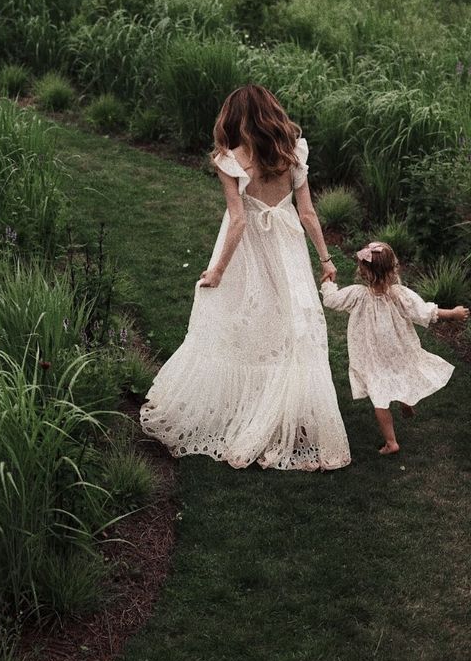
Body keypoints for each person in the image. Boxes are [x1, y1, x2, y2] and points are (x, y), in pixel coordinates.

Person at [140, 83, 350, 472]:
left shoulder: (230, 160)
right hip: (287, 247)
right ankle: (282, 409)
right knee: (289, 326)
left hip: (248, 249)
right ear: (271, 113)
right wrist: (325, 259)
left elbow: (238, 221)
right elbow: (307, 214)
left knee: (244, 323)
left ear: (233, 118)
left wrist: (217, 271)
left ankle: (257, 410)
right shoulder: (293, 154)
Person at [321, 240, 468, 454]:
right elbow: (424, 312)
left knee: (379, 395)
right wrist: (452, 313)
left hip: (372, 354)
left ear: (363, 272)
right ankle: (406, 403)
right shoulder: (400, 294)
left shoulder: (356, 294)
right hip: (398, 349)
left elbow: (331, 301)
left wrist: (328, 283)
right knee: (400, 372)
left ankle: (391, 442)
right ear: (392, 269)